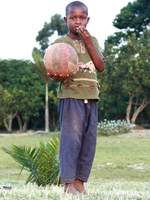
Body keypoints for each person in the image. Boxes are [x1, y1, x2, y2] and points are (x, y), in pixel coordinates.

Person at [51, 1, 105, 195]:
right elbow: (53, 68)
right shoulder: (61, 43)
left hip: (91, 96)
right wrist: (54, 73)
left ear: (88, 20)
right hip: (71, 96)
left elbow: (100, 66)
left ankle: (80, 182)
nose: (78, 21)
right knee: (71, 141)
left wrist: (89, 43)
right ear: (66, 20)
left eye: (82, 17)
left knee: (88, 141)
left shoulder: (94, 41)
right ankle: (68, 184)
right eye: (73, 18)